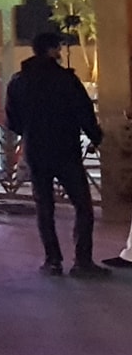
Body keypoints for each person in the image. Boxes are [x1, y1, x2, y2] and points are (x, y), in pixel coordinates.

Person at [6, 30, 108, 278]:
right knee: (82, 205)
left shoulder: (18, 81)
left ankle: (52, 261)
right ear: (51, 50)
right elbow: (84, 112)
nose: (60, 52)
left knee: (44, 207)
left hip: (36, 152)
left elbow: (13, 120)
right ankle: (82, 261)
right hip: (65, 151)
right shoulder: (66, 80)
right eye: (58, 48)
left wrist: (30, 132)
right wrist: (96, 137)